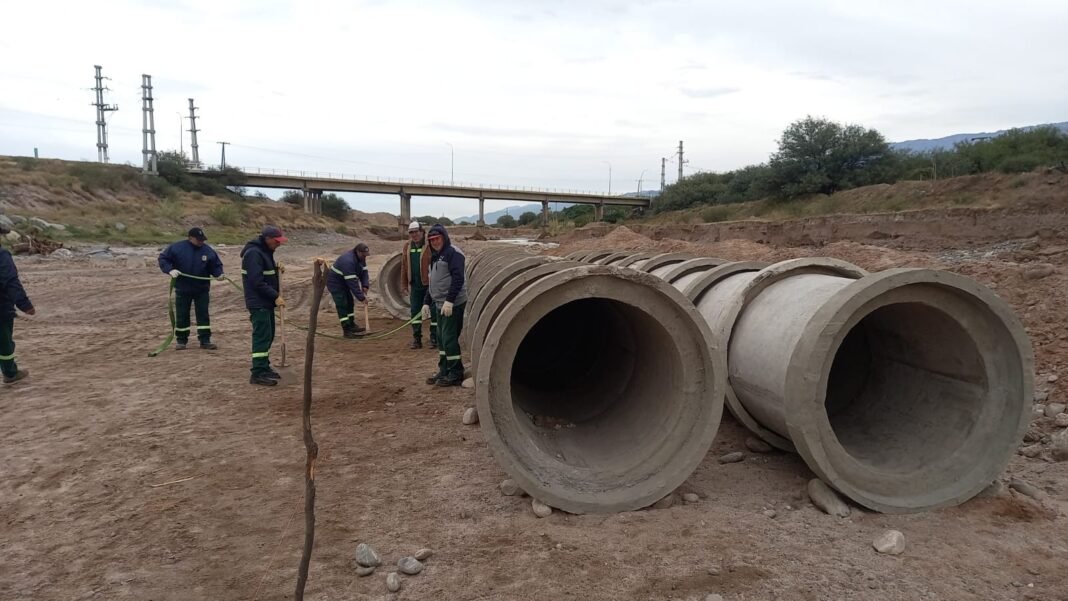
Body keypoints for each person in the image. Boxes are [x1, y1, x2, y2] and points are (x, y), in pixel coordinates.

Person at [157, 227, 224, 350]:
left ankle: (205, 340)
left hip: (202, 289)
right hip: (183, 288)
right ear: (190, 238)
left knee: (203, 314)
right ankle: (181, 341)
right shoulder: (177, 248)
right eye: (198, 240)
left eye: (202, 240)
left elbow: (215, 265)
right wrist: (170, 270)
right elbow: (163, 259)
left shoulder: (208, 250)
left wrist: (219, 274)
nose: (201, 242)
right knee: (182, 315)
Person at [422, 224, 468, 387]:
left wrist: (449, 301)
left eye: (437, 238)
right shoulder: (435, 256)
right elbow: (433, 281)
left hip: (452, 305)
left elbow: (458, 279)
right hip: (439, 304)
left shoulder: (453, 254)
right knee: (441, 339)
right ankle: (444, 370)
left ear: (444, 237)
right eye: (431, 240)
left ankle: (456, 373)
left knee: (449, 339)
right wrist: (427, 302)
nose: (434, 242)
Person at [241, 225, 287, 386]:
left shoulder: (265, 252)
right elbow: (257, 281)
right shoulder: (253, 253)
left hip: (266, 302)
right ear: (267, 239)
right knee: (261, 336)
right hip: (258, 302)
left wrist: (275, 269)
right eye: (276, 241)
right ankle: (258, 372)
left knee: (269, 334)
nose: (279, 244)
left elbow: (265, 273)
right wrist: (276, 296)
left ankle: (264, 366)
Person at [0, 224, 34, 384]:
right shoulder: (2, 255)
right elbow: (10, 281)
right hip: (1, 310)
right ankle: (10, 373)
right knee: (4, 344)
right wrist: (24, 304)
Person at [400, 221, 437, 350]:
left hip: (429, 285)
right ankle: (417, 339)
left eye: (416, 232)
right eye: (411, 232)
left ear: (422, 232)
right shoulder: (407, 246)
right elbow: (404, 265)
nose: (414, 235)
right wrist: (404, 284)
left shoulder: (430, 245)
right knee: (415, 312)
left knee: (434, 312)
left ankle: (434, 338)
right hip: (415, 285)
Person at [326, 242, 371, 338]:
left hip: (345, 282)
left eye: (366, 255)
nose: (365, 257)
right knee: (342, 304)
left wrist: (365, 285)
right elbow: (352, 283)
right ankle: (346, 330)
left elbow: (364, 272)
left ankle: (351, 324)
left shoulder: (361, 258)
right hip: (336, 283)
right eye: (363, 255)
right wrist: (361, 297)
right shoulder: (348, 261)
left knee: (350, 302)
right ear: (358, 252)